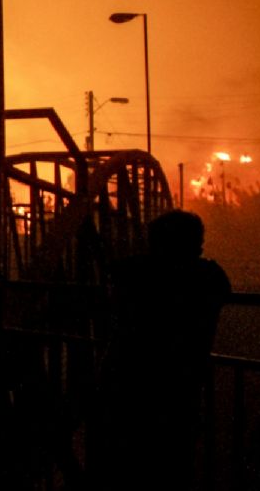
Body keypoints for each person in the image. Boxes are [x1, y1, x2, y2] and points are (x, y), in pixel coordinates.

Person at [97, 209, 231, 491]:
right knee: (174, 465)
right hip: (180, 386)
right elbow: (221, 285)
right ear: (195, 244)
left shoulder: (133, 273)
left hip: (128, 384)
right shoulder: (207, 277)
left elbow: (117, 272)